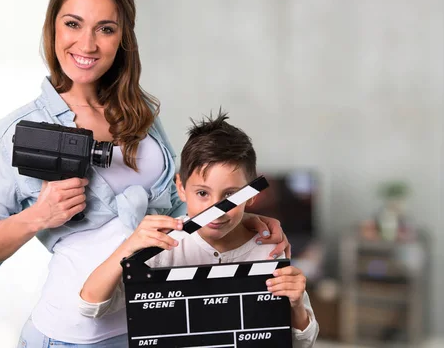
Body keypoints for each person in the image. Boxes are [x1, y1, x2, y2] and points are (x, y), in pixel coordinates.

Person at [0, 0, 290, 348]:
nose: (87, 44)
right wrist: (39, 215)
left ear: (122, 38)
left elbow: (177, 212)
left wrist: (238, 216)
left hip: (152, 323)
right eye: (73, 24)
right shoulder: (14, 134)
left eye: (106, 28)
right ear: (52, 26)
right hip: (72, 335)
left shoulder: (141, 113)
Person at [80, 111, 319, 348]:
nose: (217, 209)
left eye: (230, 196)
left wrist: (296, 304)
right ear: (182, 189)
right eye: (203, 193)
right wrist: (128, 247)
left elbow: (303, 341)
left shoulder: (269, 249)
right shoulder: (162, 248)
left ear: (251, 195)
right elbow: (91, 305)